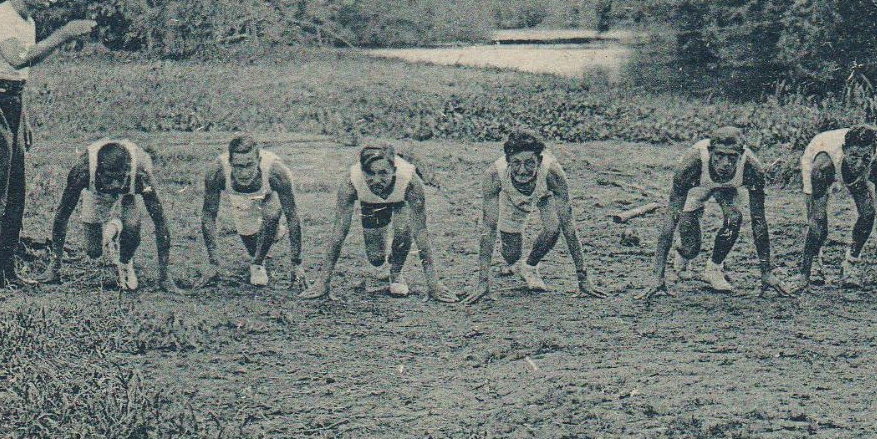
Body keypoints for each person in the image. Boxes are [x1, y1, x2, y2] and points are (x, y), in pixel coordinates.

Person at [0, 0, 96, 300]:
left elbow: (20, 75)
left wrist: (26, 116)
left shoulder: (27, 21)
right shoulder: (0, 18)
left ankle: (3, 272)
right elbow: (19, 58)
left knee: (16, 193)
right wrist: (64, 34)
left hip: (12, 104)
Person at [638, 126, 788, 299]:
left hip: (728, 188)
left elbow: (759, 221)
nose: (725, 164)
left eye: (732, 157)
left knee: (734, 218)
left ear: (741, 154)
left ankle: (714, 267)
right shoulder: (691, 165)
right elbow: (670, 220)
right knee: (691, 248)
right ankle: (683, 252)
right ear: (710, 152)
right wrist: (658, 276)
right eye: (720, 156)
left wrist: (766, 272)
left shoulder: (752, 168)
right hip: (698, 184)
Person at [298, 144, 457, 302]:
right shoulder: (351, 183)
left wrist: (433, 284)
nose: (376, 180)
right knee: (376, 258)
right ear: (362, 171)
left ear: (394, 171)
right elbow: (338, 233)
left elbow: (421, 233)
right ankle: (386, 250)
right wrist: (322, 282)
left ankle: (396, 273)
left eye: (383, 173)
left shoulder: (410, 182)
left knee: (403, 229)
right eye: (370, 173)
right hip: (372, 202)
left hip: (400, 200)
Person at [464, 129, 601, 304]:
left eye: (530, 163)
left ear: (540, 160)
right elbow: (488, 229)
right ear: (508, 162)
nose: (522, 170)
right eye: (516, 163)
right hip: (511, 197)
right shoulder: (494, 175)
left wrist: (583, 278)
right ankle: (517, 264)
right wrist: (483, 283)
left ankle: (530, 266)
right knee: (512, 256)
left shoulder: (552, 173)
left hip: (544, 194)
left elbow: (569, 225)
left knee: (554, 227)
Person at [48, 138, 172, 291]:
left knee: (132, 227)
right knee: (93, 251)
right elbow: (62, 215)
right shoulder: (83, 171)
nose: (114, 184)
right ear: (97, 171)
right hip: (97, 191)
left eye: (118, 178)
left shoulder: (141, 173)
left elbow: (160, 221)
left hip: (129, 190)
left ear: (127, 170)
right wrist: (54, 266)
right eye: (108, 178)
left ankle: (126, 262)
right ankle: (115, 227)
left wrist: (165, 276)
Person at [798, 125, 877, 292]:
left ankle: (851, 262)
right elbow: (816, 220)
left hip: (846, 166)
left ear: (873, 153)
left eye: (866, 158)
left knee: (868, 214)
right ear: (844, 150)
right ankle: (813, 263)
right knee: (820, 223)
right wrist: (803, 277)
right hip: (819, 150)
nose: (859, 164)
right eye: (854, 156)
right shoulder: (822, 166)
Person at [197, 134, 303, 289]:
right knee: (252, 241)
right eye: (238, 166)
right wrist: (214, 263)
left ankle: (258, 262)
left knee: (272, 214)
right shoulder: (217, 172)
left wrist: (296, 263)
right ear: (230, 163)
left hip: (268, 194)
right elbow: (209, 214)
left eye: (249, 165)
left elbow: (292, 215)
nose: (244, 172)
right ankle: (272, 234)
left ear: (258, 161)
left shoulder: (276, 172)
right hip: (240, 199)